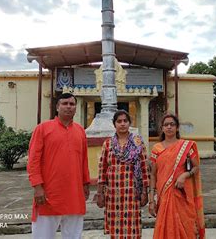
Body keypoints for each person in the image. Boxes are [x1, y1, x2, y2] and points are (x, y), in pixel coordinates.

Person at [27, 93, 90, 239]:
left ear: (76, 108)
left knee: (74, 235)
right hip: (49, 194)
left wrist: (85, 183)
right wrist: (37, 187)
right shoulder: (42, 129)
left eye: (72, 104)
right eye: (65, 103)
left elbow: (83, 161)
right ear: (57, 107)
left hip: (74, 194)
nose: (69, 107)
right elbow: (33, 160)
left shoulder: (80, 131)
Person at [149, 113, 205, 239]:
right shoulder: (156, 149)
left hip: (182, 194)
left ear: (177, 127)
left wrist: (184, 175)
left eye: (172, 124)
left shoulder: (186, 146)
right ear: (162, 128)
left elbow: (196, 167)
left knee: (186, 225)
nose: (169, 127)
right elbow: (153, 175)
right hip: (164, 196)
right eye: (166, 125)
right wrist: (151, 200)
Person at [95, 110, 149, 238]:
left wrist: (144, 192)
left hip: (132, 191)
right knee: (115, 226)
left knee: (132, 225)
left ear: (129, 123)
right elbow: (102, 168)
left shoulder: (137, 142)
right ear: (114, 124)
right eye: (119, 121)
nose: (122, 124)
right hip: (113, 192)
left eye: (125, 121)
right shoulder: (108, 144)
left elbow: (144, 168)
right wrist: (100, 193)